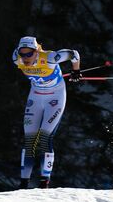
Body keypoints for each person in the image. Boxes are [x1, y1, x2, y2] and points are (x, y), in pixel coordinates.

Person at [12, 36, 82, 189]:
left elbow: (74, 54)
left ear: (37, 51)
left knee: (44, 138)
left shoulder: (50, 58)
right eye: (22, 53)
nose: (25, 58)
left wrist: (75, 71)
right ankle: (23, 184)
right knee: (29, 140)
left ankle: (44, 183)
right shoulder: (16, 58)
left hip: (55, 97)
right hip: (36, 97)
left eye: (29, 54)